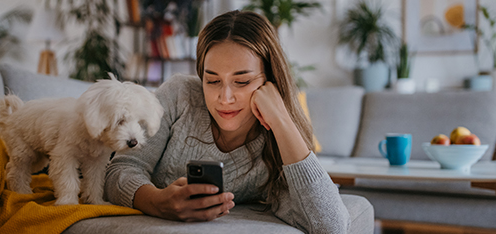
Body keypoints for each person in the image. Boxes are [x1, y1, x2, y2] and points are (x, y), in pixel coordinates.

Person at [105, 10, 351, 233]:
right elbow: (120, 169)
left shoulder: (274, 148)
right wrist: (157, 202)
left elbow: (331, 225)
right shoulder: (179, 95)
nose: (225, 98)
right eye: (212, 81)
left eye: (242, 82)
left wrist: (282, 119)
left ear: (270, 81)